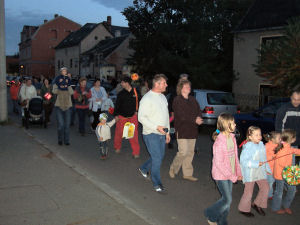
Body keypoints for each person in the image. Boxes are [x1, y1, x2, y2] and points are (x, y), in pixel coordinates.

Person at [204, 113, 242, 225]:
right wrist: (233, 176)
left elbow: (235, 157)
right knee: (227, 200)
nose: (235, 124)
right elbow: (219, 164)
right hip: (221, 175)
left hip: (230, 174)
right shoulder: (219, 143)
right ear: (226, 125)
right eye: (233, 123)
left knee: (227, 201)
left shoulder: (232, 138)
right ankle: (210, 214)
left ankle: (222, 221)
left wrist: (238, 172)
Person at [138, 74, 170, 192]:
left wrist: (167, 133)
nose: (166, 85)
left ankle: (144, 168)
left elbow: (166, 117)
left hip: (162, 133)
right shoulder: (147, 99)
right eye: (164, 83)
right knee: (157, 158)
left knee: (159, 157)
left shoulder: (163, 97)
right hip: (150, 133)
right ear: (157, 84)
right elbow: (141, 118)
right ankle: (157, 183)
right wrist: (156, 127)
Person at [169, 80, 203, 181]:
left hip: (192, 130)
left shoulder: (193, 99)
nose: (189, 87)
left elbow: (199, 110)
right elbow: (181, 115)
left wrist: (199, 118)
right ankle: (173, 169)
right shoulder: (177, 100)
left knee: (190, 152)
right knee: (183, 152)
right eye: (186, 86)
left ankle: (187, 173)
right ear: (181, 88)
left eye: (189, 85)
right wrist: (194, 119)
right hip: (182, 129)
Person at [238, 126, 271, 217]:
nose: (259, 136)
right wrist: (256, 163)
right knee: (248, 192)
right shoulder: (248, 147)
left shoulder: (261, 144)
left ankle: (257, 204)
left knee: (265, 188)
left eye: (260, 134)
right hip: (250, 173)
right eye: (256, 135)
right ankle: (243, 209)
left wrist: (267, 169)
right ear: (250, 136)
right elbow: (243, 161)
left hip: (260, 172)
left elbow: (264, 158)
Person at [271, 129, 300, 214]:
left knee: (292, 189)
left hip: (288, 173)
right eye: (295, 137)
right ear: (291, 139)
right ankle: (276, 208)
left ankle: (286, 205)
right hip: (281, 175)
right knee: (279, 192)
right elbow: (283, 163)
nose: (296, 138)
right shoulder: (283, 149)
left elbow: (294, 151)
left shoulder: (288, 147)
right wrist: (293, 170)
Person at [114, 76, 140, 158]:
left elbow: (140, 103)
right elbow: (117, 106)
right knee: (119, 133)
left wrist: (137, 111)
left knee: (133, 134)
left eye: (122, 82)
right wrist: (116, 115)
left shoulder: (136, 92)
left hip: (132, 117)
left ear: (127, 83)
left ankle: (136, 152)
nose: (121, 84)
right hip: (122, 117)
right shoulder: (121, 94)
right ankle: (117, 147)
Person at [275, 89, 300, 164]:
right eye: (294, 99)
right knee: (290, 164)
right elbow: (279, 125)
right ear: (291, 98)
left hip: (298, 140)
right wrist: (282, 140)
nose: (296, 101)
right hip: (288, 142)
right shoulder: (284, 109)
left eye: (299, 100)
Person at [52, 67, 74, 145]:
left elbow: (71, 93)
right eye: (63, 71)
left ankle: (67, 140)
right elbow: (54, 91)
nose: (64, 72)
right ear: (60, 72)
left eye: (65, 71)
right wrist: (60, 86)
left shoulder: (68, 81)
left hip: (68, 105)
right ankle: (60, 139)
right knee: (61, 125)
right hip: (59, 105)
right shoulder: (57, 81)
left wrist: (67, 85)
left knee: (67, 126)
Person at [264, 131, 282, 199]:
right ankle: (269, 195)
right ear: (272, 139)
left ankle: (269, 192)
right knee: (270, 182)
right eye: (279, 138)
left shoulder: (278, 145)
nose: (281, 139)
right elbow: (263, 156)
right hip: (269, 169)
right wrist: (271, 157)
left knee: (272, 181)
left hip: (275, 168)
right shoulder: (267, 146)